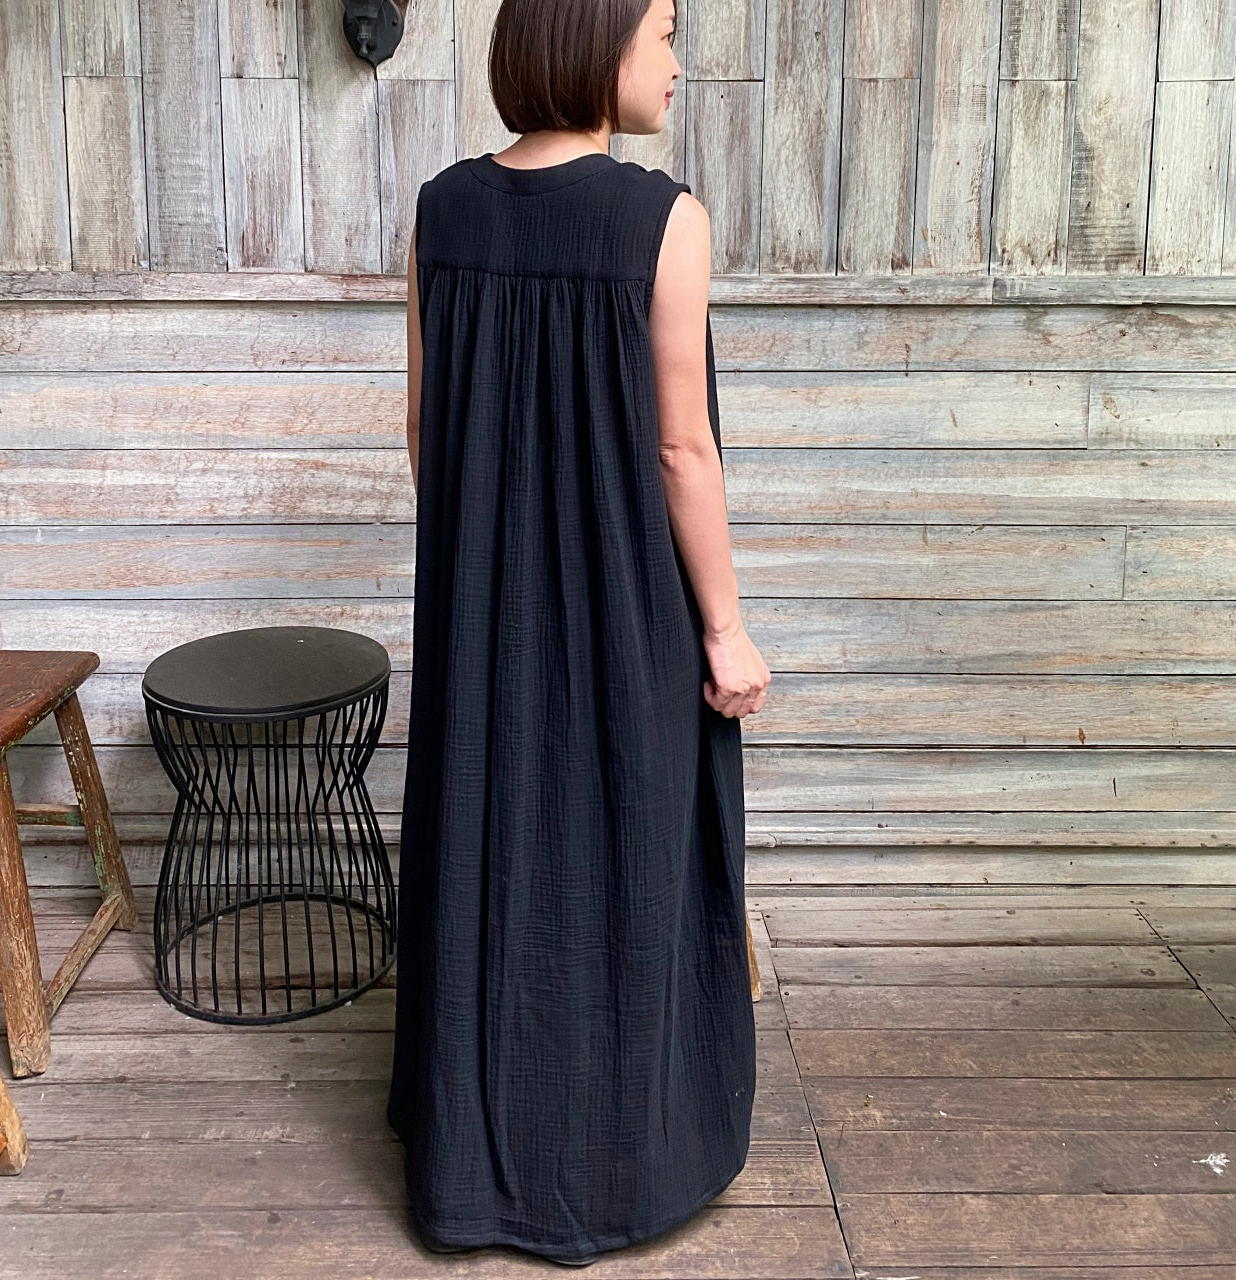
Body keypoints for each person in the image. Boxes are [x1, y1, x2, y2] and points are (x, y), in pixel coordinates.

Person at [385, 0, 772, 1266]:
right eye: (663, 31)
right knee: (625, 852)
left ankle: (473, 1160)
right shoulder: (663, 219)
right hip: (624, 608)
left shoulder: (441, 211)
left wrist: (486, 563)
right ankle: (614, 1167)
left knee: (490, 846)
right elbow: (679, 448)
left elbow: (424, 429)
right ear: (596, 43)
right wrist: (724, 629)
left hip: (479, 602)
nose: (675, 60)